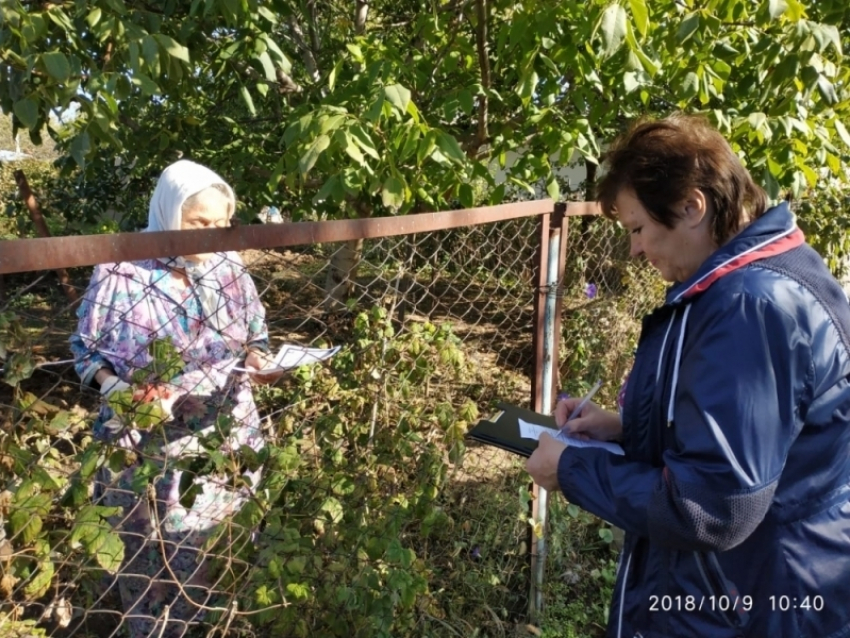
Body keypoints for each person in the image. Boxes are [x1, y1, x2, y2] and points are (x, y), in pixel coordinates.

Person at [526, 115, 850, 638]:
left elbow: (712, 506)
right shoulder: (762, 277)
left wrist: (572, 471)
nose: (633, 249)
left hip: (751, 606)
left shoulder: (751, 306)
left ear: (691, 207)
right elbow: (751, 443)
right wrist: (624, 427)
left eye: (638, 229)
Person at [70, 159, 282, 638]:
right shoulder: (121, 270)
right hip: (143, 439)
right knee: (144, 556)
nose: (212, 234)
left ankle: (210, 627)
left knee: (210, 551)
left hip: (222, 438)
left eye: (221, 223)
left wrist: (259, 362)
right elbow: (83, 350)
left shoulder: (230, 268)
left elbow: (256, 336)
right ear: (169, 213)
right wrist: (115, 387)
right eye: (199, 223)